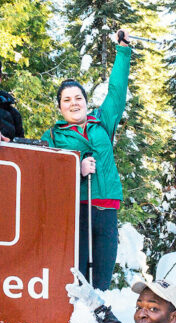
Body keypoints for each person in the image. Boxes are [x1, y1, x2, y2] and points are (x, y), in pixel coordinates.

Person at [42, 31, 133, 290]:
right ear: (60, 107)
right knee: (78, 280)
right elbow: (46, 175)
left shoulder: (101, 123)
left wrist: (123, 51)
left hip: (107, 210)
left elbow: (117, 92)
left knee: (101, 282)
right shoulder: (52, 136)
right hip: (76, 212)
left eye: (78, 98)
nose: (74, 104)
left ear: (85, 102)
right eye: (66, 100)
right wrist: (76, 169)